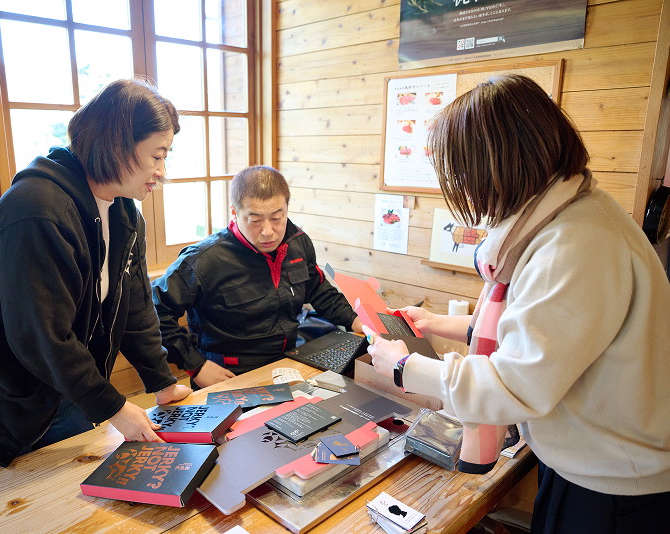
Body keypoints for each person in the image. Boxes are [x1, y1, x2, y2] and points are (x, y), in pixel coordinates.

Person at [365, 74, 670, 533]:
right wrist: (439, 324)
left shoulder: (574, 242)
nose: (464, 190)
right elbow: (544, 330)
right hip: (597, 465)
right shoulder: (572, 214)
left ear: (495, 164)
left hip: (611, 484)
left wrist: (403, 366)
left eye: (462, 173)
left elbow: (515, 381)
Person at [0, 78, 192, 483]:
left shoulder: (124, 213)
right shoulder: (38, 211)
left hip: (56, 394)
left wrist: (161, 382)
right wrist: (115, 407)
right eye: (157, 155)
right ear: (117, 144)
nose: (161, 172)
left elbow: (133, 304)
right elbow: (39, 335)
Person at [152, 165, 363, 389]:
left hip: (289, 362)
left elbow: (319, 290)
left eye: (276, 218)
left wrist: (354, 320)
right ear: (234, 212)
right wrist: (196, 365)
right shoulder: (203, 260)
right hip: (229, 373)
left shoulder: (298, 243)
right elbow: (154, 312)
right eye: (255, 220)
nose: (268, 231)